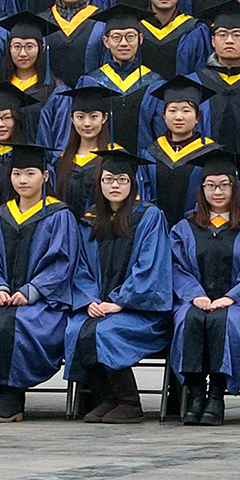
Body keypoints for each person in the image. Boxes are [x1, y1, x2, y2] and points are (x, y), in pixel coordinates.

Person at [0, 145, 78, 423]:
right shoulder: (0, 215)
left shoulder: (59, 215)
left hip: (44, 303)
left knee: (14, 324)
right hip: (4, 298)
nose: (22, 180)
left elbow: (62, 263)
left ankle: (12, 395)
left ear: (45, 176)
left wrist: (32, 291)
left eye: (30, 173)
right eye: (17, 174)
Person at [169, 150, 240, 426]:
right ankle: (195, 394)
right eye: (211, 185)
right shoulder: (185, 228)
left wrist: (231, 297)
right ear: (201, 188)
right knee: (187, 319)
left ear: (235, 187)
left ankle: (216, 395)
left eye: (224, 185)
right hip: (195, 301)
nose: (217, 192)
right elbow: (176, 268)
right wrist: (195, 295)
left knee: (226, 321)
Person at [72, 149, 173, 424]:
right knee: (74, 329)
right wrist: (90, 300)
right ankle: (107, 398)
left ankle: (129, 402)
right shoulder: (89, 220)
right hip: (100, 307)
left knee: (106, 331)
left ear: (133, 183)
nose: (114, 185)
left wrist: (120, 301)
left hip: (141, 311)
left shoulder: (149, 217)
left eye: (121, 180)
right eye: (108, 179)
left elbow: (151, 267)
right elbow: (80, 267)